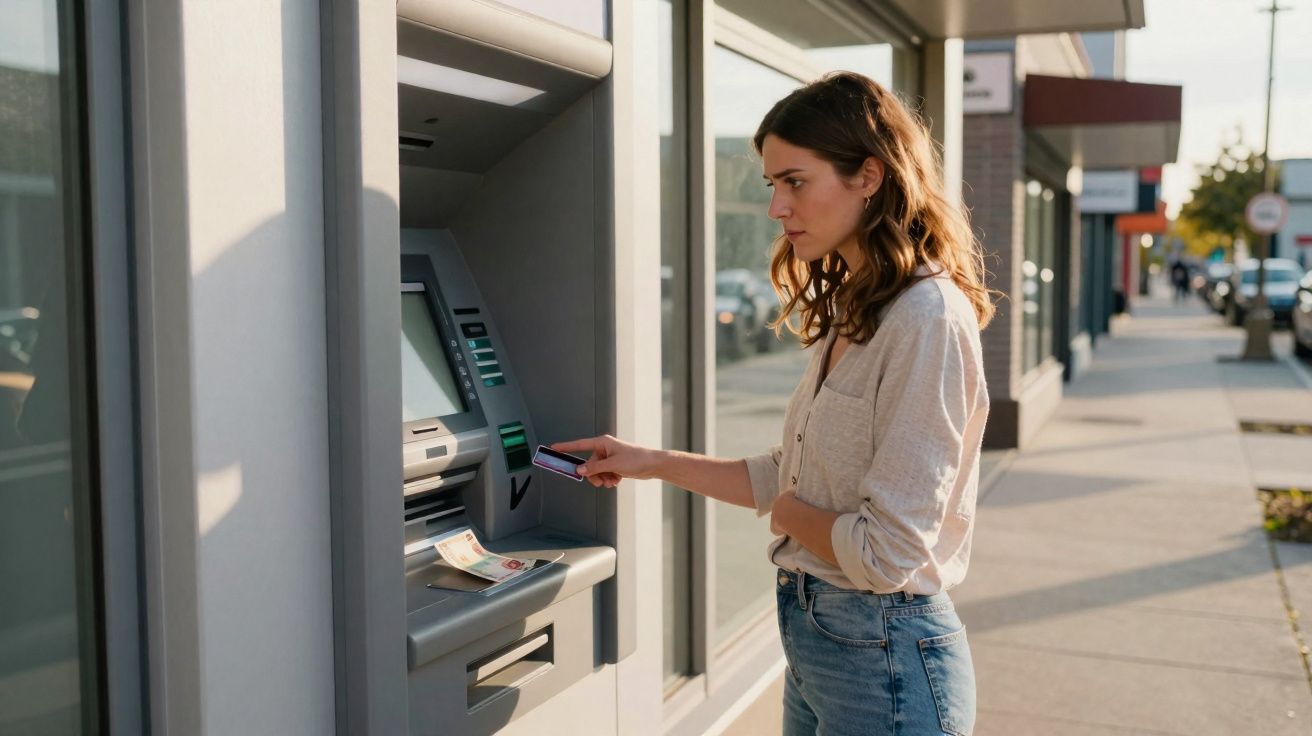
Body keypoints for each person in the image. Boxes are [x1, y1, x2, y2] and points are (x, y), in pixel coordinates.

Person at [555, 72, 994, 736]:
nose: (777, 208)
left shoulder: (925, 318)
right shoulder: (861, 307)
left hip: (884, 659)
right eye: (772, 186)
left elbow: (885, 552)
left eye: (795, 181)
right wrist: (645, 460)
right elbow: (785, 477)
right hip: (824, 645)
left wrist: (787, 513)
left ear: (868, 176)